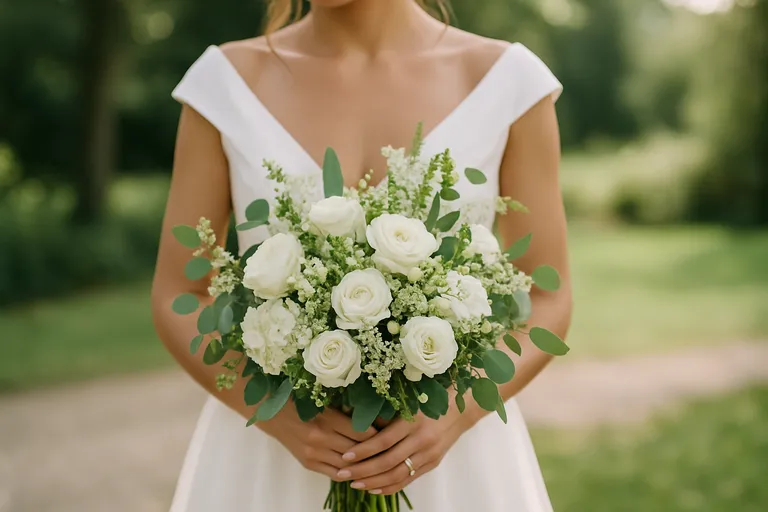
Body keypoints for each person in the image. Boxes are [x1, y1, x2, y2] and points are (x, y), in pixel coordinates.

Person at [151, 0, 572, 510]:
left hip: (451, 463)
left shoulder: (505, 82)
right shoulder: (225, 83)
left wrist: (455, 413)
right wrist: (274, 411)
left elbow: (546, 294)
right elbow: (180, 290)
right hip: (269, 463)